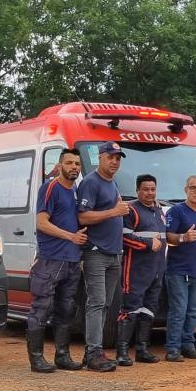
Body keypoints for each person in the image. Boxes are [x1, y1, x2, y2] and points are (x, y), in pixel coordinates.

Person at [25, 149, 88, 373]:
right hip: (50, 259)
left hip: (72, 260)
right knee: (41, 308)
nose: (74, 167)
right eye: (69, 163)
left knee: (66, 309)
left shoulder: (76, 191)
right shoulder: (50, 187)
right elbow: (41, 223)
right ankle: (36, 358)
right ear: (60, 165)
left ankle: (62, 355)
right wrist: (71, 237)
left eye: (77, 164)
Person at [76, 142, 130, 371]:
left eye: (118, 158)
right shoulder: (91, 182)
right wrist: (113, 212)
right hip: (96, 252)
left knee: (106, 304)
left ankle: (94, 350)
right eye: (111, 157)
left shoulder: (112, 183)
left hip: (113, 253)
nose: (115, 162)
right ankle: (93, 353)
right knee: (96, 302)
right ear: (100, 158)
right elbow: (83, 217)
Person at [115, 174, 166, 366]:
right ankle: (122, 352)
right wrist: (147, 243)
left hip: (157, 270)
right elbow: (123, 237)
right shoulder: (131, 210)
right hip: (135, 270)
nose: (150, 193)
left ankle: (142, 350)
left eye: (153, 189)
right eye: (145, 189)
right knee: (130, 309)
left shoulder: (159, 210)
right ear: (137, 190)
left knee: (149, 310)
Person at [163, 175, 196, 362]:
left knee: (192, 311)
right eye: (193, 187)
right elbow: (167, 236)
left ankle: (188, 345)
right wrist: (183, 237)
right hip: (178, 269)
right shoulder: (176, 211)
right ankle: (173, 348)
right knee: (179, 310)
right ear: (186, 189)